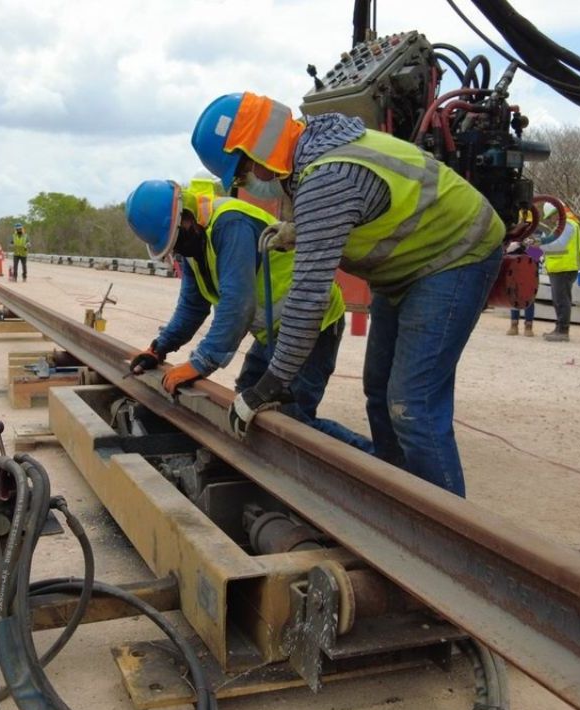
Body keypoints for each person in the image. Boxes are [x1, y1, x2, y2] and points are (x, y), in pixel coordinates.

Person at [190, 92, 504, 497]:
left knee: (413, 405)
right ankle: (398, 500)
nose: (249, 178)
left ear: (254, 148)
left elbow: (308, 298)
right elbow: (355, 207)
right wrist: (299, 232)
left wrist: (270, 383)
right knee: (379, 390)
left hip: (456, 254)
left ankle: (454, 538)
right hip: (409, 268)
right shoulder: (314, 153)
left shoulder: (326, 175)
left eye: (244, 168)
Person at [124, 179, 373, 453]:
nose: (178, 251)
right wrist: (160, 348)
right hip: (272, 331)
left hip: (311, 325)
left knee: (291, 422)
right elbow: (192, 307)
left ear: (187, 218)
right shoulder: (193, 243)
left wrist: (200, 363)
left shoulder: (231, 225)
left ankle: (378, 465)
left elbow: (237, 303)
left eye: (176, 241)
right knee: (246, 401)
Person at [538, 203, 580, 342]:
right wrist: (531, 249)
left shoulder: (568, 225)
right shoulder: (564, 226)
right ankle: (559, 329)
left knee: (562, 300)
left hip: (565, 268)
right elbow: (549, 245)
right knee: (559, 299)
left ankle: (563, 331)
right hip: (559, 268)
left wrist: (536, 244)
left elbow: (558, 245)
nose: (552, 219)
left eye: (553, 216)